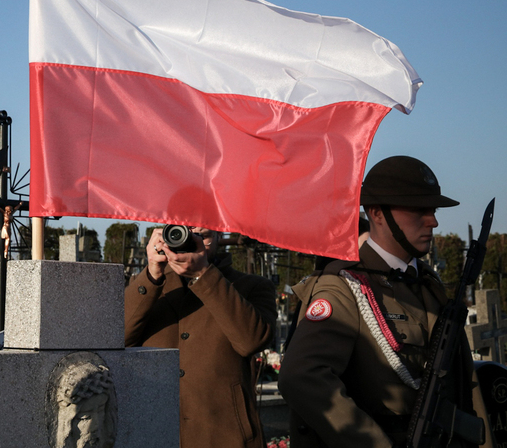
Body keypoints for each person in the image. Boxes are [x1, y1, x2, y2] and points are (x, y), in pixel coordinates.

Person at [278, 155, 493, 448]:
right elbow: (300, 378)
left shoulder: (429, 285)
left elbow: (463, 384)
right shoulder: (345, 289)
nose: (433, 220)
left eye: (432, 209)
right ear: (377, 213)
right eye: (419, 209)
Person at [124, 225, 277, 448]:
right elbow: (117, 338)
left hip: (224, 435)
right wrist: (152, 275)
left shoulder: (252, 286)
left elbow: (252, 341)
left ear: (218, 236)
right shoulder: (148, 285)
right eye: (181, 233)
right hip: (153, 431)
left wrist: (203, 274)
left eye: (201, 236)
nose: (189, 241)